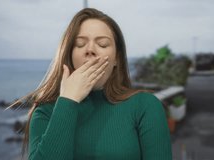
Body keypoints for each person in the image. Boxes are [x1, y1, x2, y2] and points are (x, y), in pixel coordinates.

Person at [11, 8, 172, 160]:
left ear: (116, 58)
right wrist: (68, 101)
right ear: (69, 54)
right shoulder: (45, 112)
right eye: (80, 44)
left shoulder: (145, 106)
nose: (90, 50)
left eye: (102, 44)